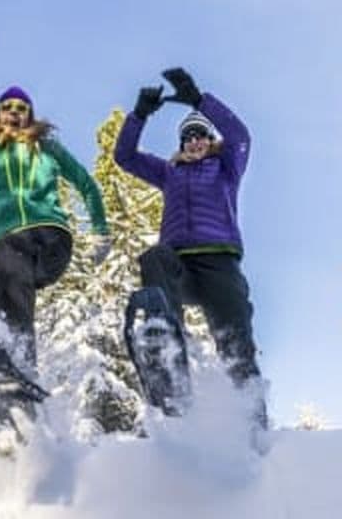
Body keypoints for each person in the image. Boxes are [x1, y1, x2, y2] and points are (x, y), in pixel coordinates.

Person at [0, 8, 111, 379]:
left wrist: (100, 231)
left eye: (22, 108)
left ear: (30, 115)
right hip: (5, 248)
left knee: (10, 263)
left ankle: (21, 363)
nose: (14, 113)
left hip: (48, 237)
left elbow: (86, 182)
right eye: (7, 107)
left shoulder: (47, 149)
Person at [114, 67, 265, 423]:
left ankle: (252, 423)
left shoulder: (227, 167)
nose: (194, 142)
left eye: (200, 136)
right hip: (179, 266)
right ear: (181, 145)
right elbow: (125, 156)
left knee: (235, 340)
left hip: (220, 265)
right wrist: (138, 116)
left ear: (210, 140)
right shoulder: (169, 173)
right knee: (154, 256)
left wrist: (198, 100)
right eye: (187, 138)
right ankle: (167, 352)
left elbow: (240, 135)